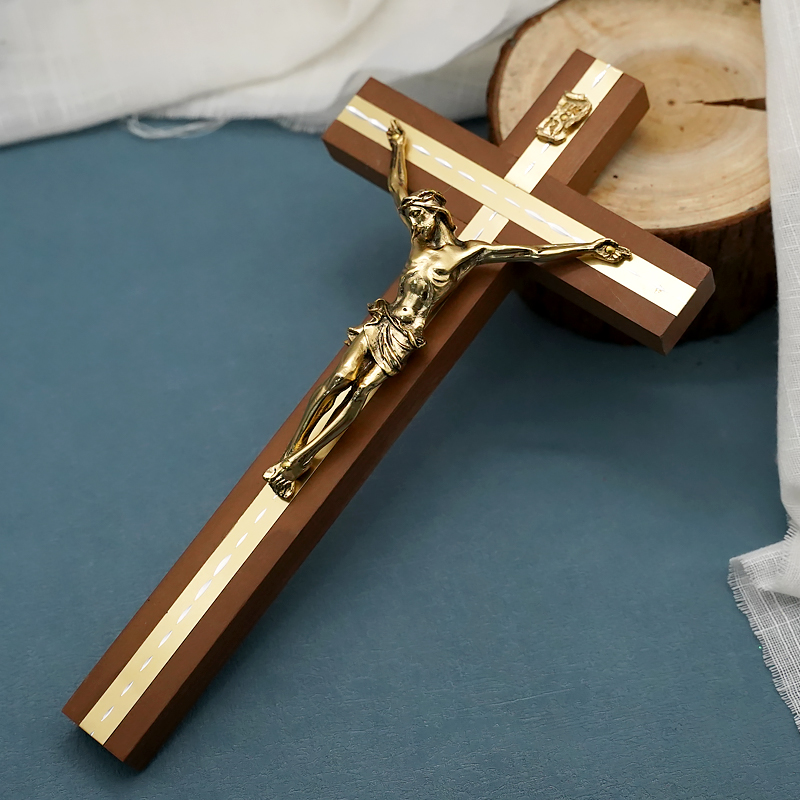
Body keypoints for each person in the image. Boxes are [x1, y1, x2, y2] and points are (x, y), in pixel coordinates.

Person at [264, 120, 631, 499]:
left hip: (404, 338)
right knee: (338, 380)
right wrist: (398, 147)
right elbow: (396, 187)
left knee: (361, 395)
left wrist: (588, 247)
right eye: (411, 218)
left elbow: (532, 253)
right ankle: (291, 452)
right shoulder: (417, 245)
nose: (413, 223)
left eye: (418, 216)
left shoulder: (466, 254)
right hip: (382, 322)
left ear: (436, 213)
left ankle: (297, 463)